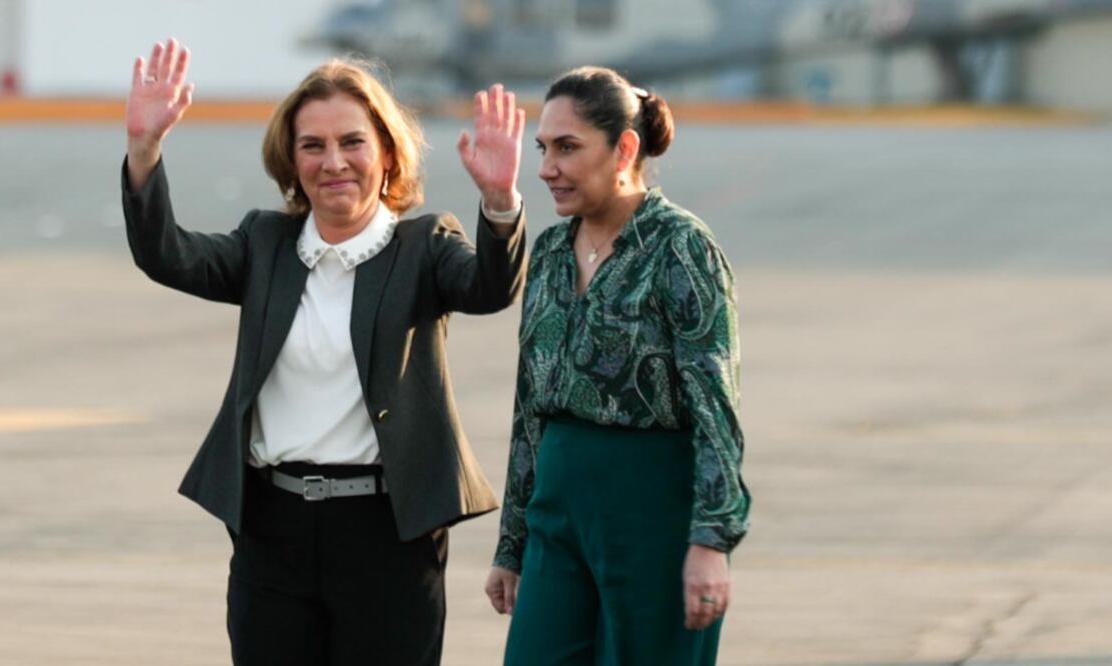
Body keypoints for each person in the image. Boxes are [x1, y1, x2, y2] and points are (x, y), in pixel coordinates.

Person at [120, 39, 527, 665]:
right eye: (313, 146)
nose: (333, 162)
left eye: (352, 142)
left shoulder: (424, 246)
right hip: (271, 529)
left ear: (388, 154)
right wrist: (145, 151)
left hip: (387, 533)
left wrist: (500, 204)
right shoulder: (266, 243)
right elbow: (166, 253)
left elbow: (491, 288)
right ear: (292, 161)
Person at [484, 66, 751, 665]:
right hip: (558, 508)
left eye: (568, 148)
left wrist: (711, 541)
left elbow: (716, 407)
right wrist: (512, 542)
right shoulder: (551, 251)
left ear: (624, 148)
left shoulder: (681, 247)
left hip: (652, 507)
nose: (547, 167)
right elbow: (531, 404)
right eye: (543, 148)